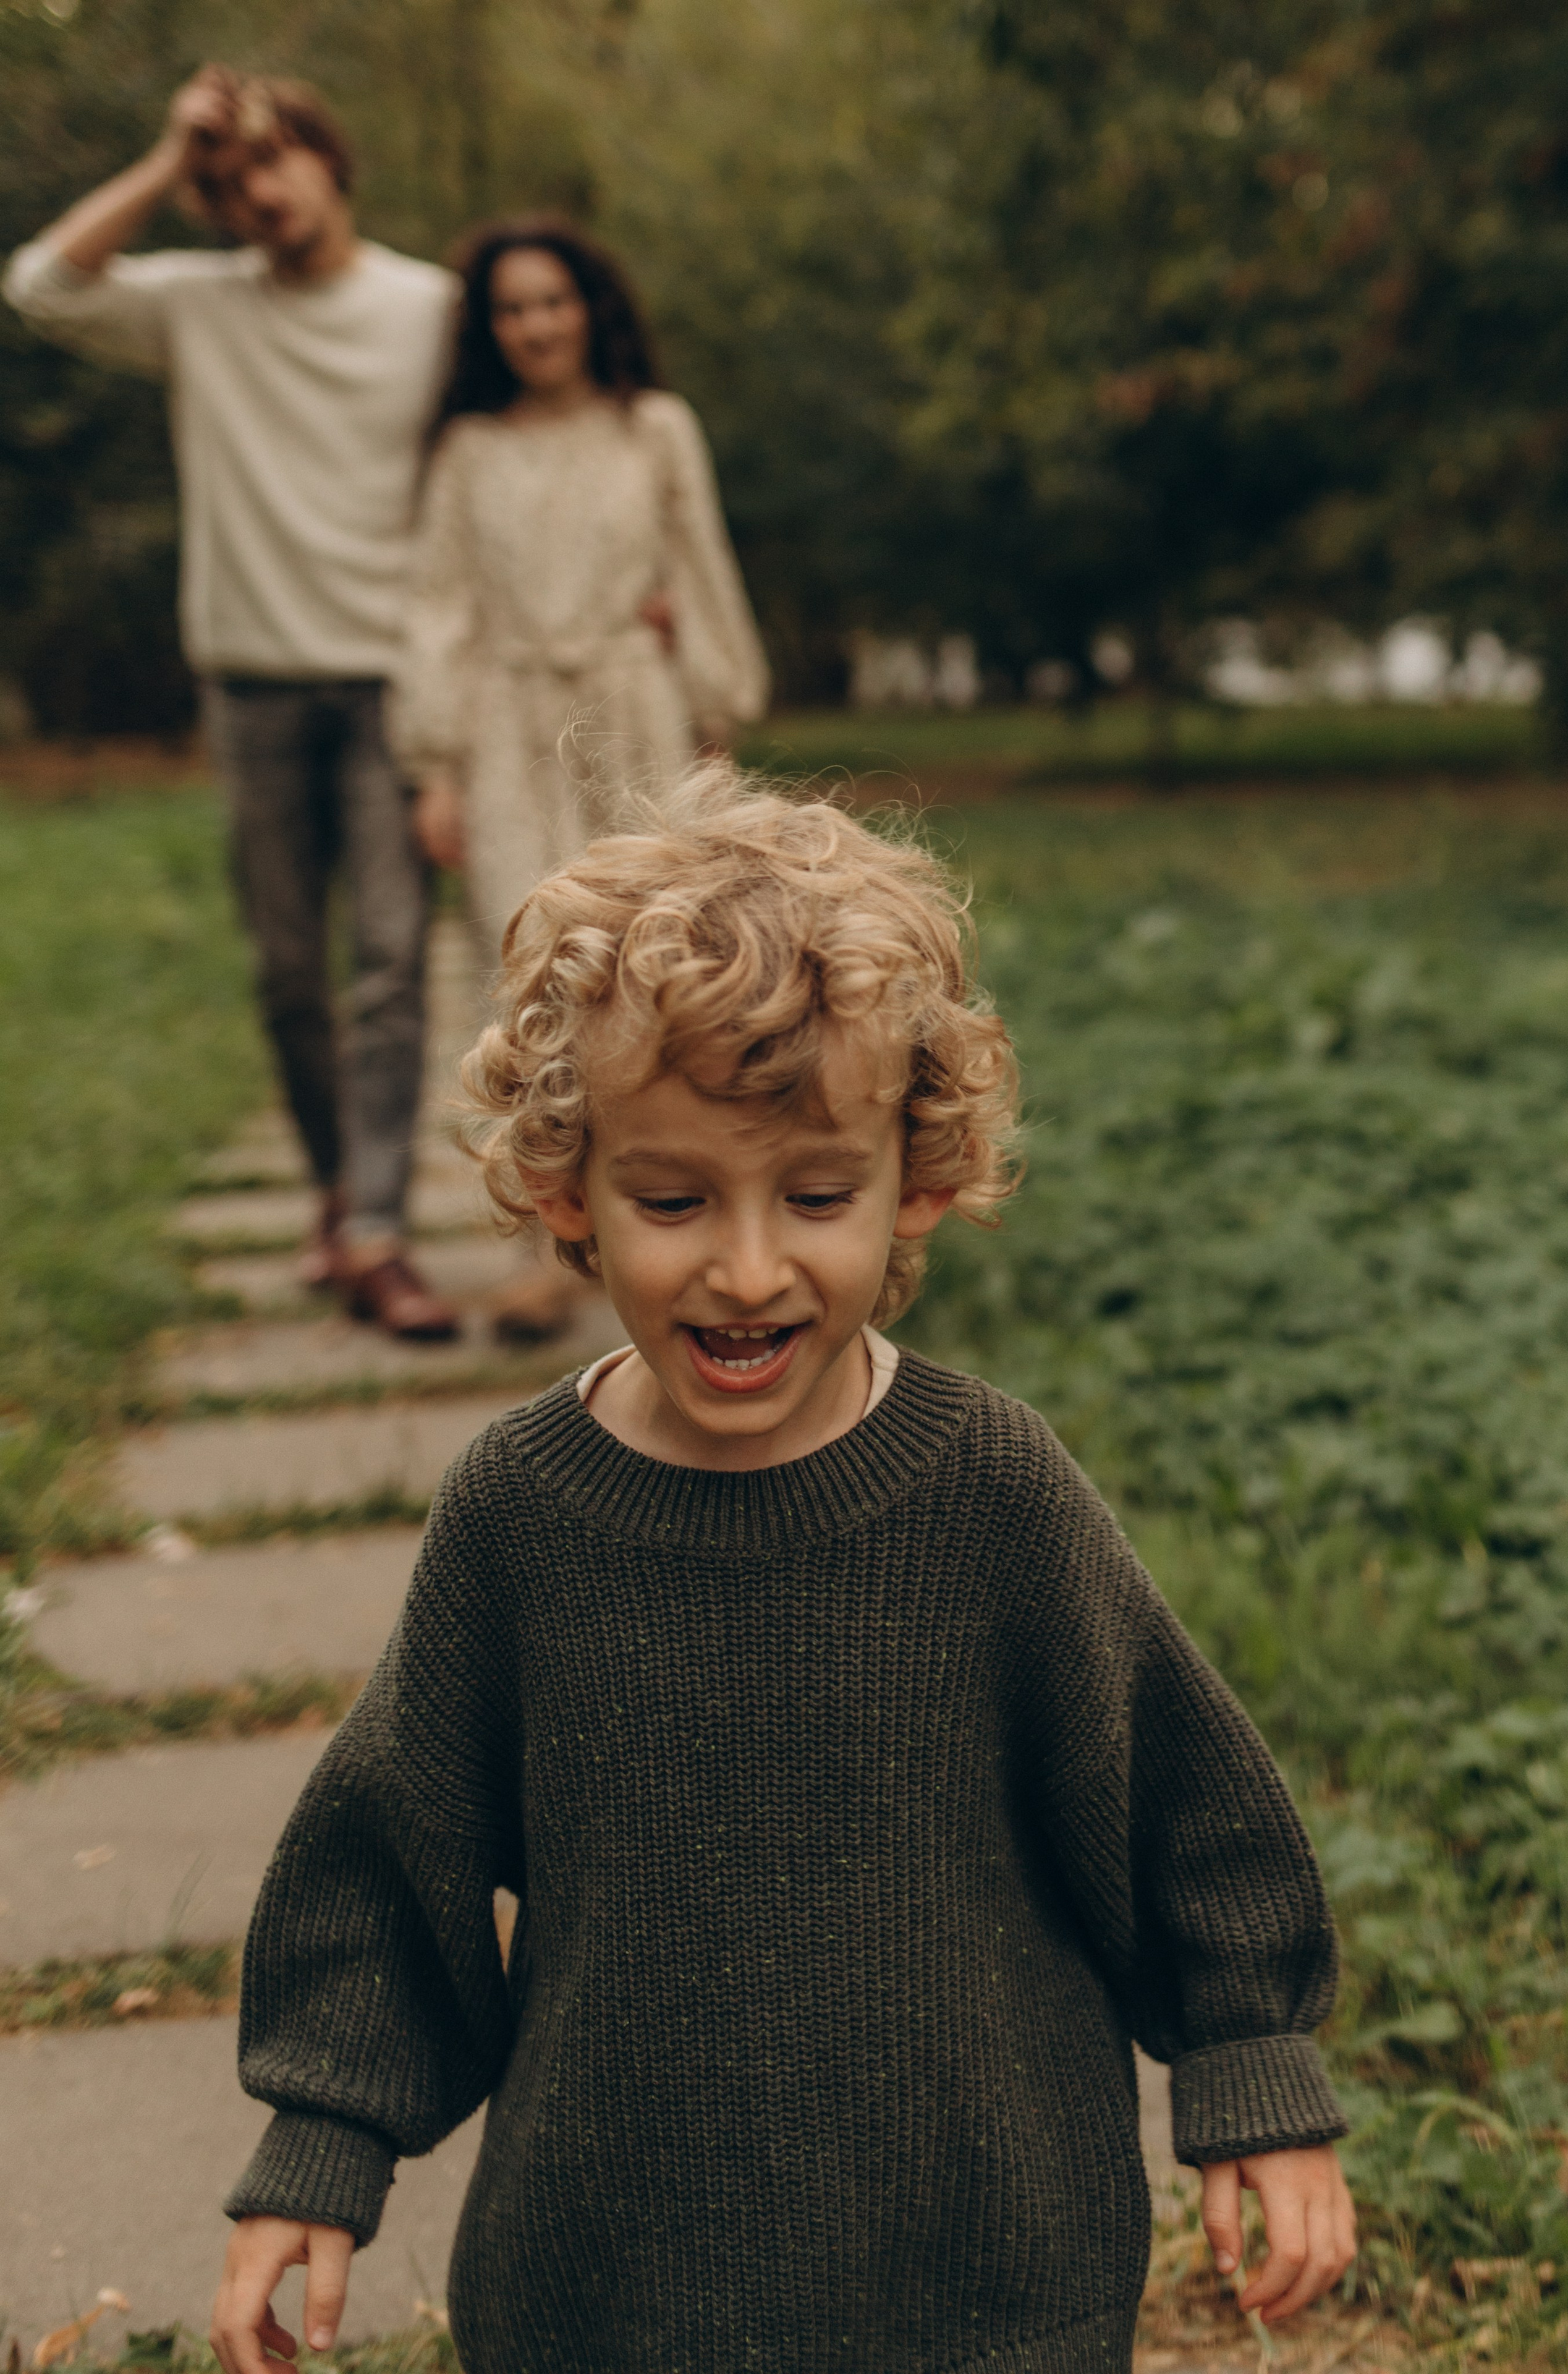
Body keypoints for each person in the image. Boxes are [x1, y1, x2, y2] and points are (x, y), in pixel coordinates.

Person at [209, 768, 1356, 2374]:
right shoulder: (522, 1517)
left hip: (987, 2275)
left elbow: (1174, 1793)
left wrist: (1253, 2069)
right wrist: (325, 2142)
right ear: (566, 1195)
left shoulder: (990, 1492)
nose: (747, 1267)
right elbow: (396, 1847)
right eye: (672, 1199)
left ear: (920, 1187)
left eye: (818, 1196)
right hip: (611, 2289)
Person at [4, 67, 460, 1340]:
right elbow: (39, 285)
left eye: (272, 160)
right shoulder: (199, 308)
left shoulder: (431, 308)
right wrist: (165, 158)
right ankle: (334, 1195)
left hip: (389, 683)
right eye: (229, 179)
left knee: (386, 961)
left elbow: (512, 441)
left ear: (330, 161)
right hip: (250, 682)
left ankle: (378, 1228)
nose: (255, 191)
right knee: (281, 970)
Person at [389, 218, 769, 1340]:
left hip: (635, 712)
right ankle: (537, 1246)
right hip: (508, 726)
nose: (535, 326)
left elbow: (701, 565)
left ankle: (670, 1211)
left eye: (552, 301)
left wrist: (717, 716)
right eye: (511, 309)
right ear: (489, 330)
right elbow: (438, 605)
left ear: (590, 308)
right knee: (520, 975)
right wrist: (436, 764)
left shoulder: (653, 430)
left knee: (657, 960)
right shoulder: (468, 452)